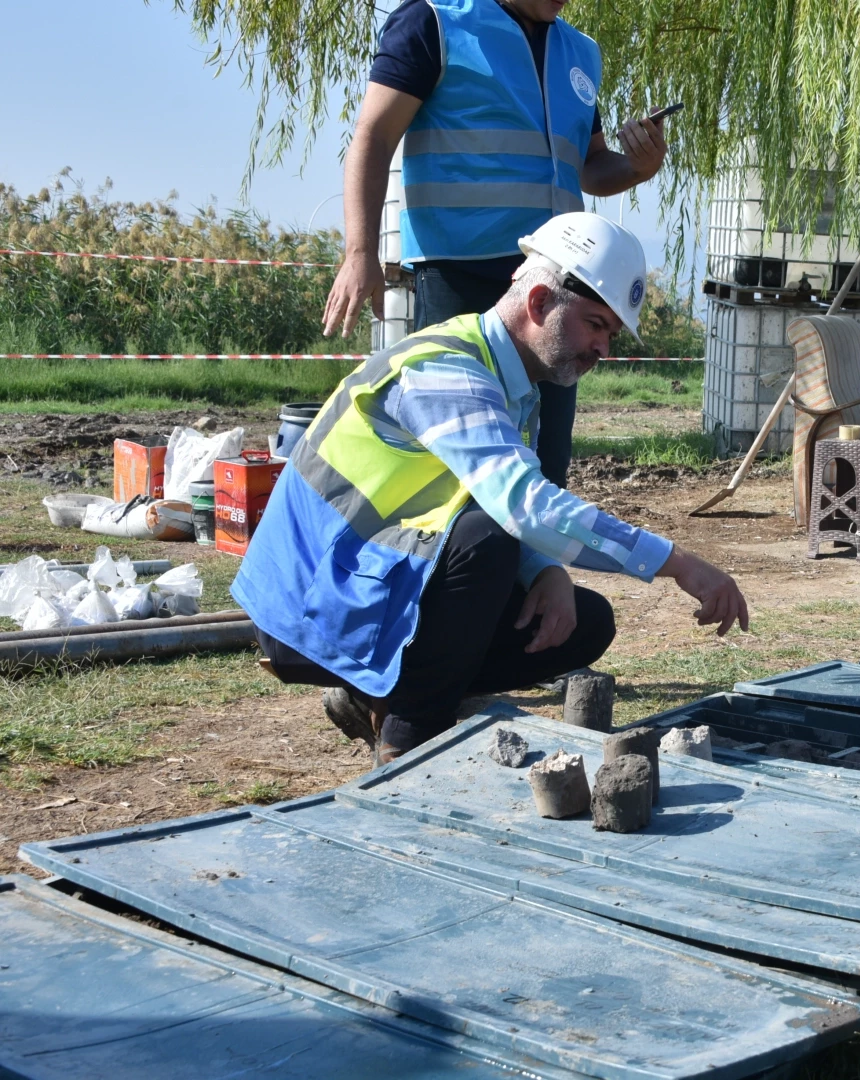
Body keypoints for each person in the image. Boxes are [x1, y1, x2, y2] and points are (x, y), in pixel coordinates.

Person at [238, 214, 747, 764]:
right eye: (596, 324)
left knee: (583, 623)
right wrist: (678, 563)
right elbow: (522, 506)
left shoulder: (513, 387)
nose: (603, 348)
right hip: (309, 605)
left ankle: (375, 694)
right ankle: (410, 740)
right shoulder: (447, 369)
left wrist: (546, 571)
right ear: (539, 302)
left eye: (612, 334)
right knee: (489, 540)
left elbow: (493, 500)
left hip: (366, 583)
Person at [321, 0, 670, 489]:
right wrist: (360, 252)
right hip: (459, 276)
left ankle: (538, 541)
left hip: (556, 284)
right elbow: (373, 135)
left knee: (545, 464)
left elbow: (589, 168)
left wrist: (638, 166)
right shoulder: (434, 21)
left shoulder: (581, 52)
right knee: (451, 460)